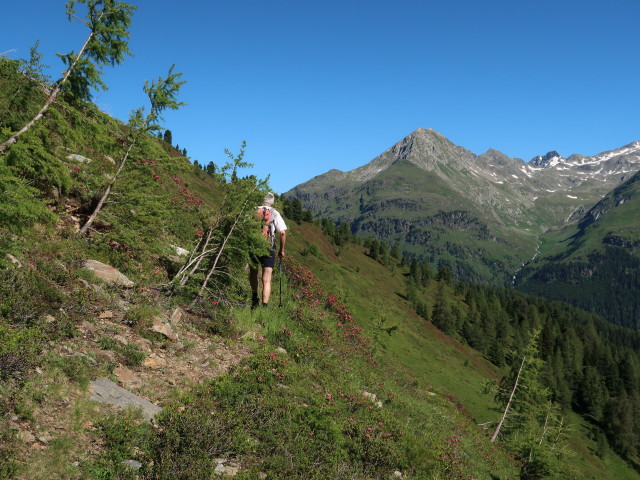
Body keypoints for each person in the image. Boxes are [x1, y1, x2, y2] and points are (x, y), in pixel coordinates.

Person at [250, 193, 287, 308]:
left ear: (262, 200)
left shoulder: (253, 210)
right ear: (273, 202)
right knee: (266, 279)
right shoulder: (275, 213)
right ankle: (264, 306)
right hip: (269, 247)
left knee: (253, 273)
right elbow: (282, 232)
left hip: (254, 245)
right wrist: (282, 250)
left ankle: (254, 298)